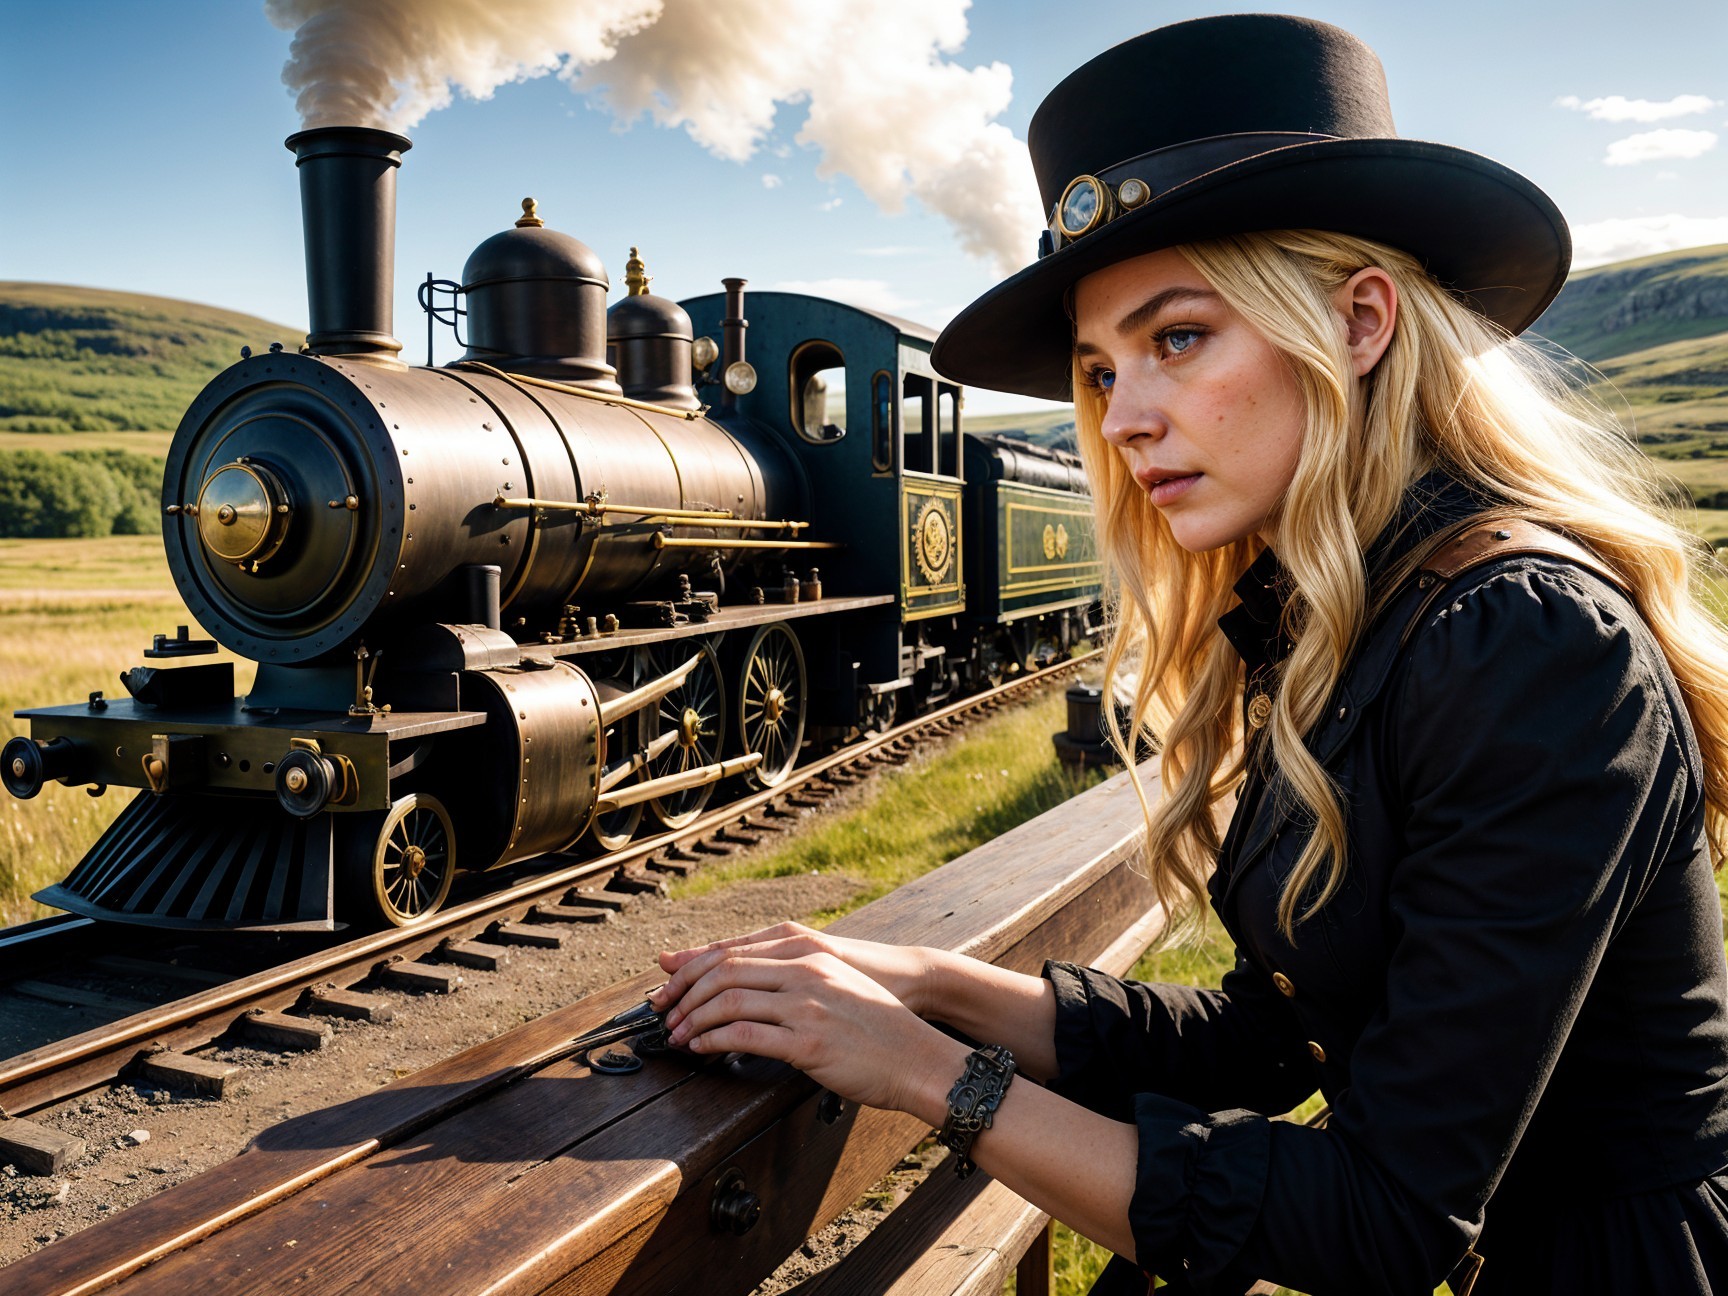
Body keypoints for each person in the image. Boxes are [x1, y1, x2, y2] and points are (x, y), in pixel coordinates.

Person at [649, 15, 1728, 1294]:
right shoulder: (1353, 621)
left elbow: (1383, 1221)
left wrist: (928, 1070)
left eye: (1177, 339)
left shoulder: (1525, 642)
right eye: (1101, 371)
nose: (1128, 419)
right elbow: (1278, 1042)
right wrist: (926, 980)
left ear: (1361, 321)